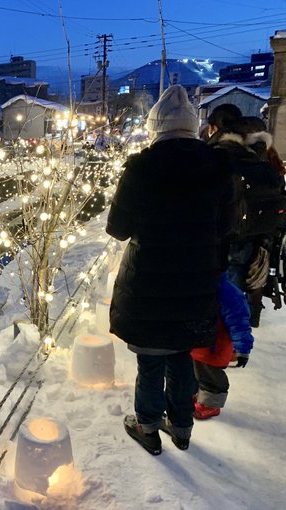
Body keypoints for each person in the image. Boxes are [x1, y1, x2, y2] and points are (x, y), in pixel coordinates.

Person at [107, 85, 237, 455]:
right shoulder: (217, 167)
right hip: (197, 281)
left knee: (150, 360)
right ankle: (181, 428)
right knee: (181, 357)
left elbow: (118, 229)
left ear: (156, 128)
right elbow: (227, 227)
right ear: (192, 127)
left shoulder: (141, 167)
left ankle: (147, 426)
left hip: (149, 281)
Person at [211, 116, 286, 326]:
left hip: (234, 233)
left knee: (230, 287)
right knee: (248, 279)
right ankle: (247, 320)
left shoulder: (230, 158)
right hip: (263, 236)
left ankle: (230, 332)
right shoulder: (268, 160)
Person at [188, 272, 254, 420]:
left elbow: (240, 323)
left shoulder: (228, 292)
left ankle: (211, 405)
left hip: (216, 347)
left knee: (211, 376)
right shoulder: (195, 285)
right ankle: (200, 397)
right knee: (197, 371)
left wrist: (243, 349)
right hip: (197, 343)